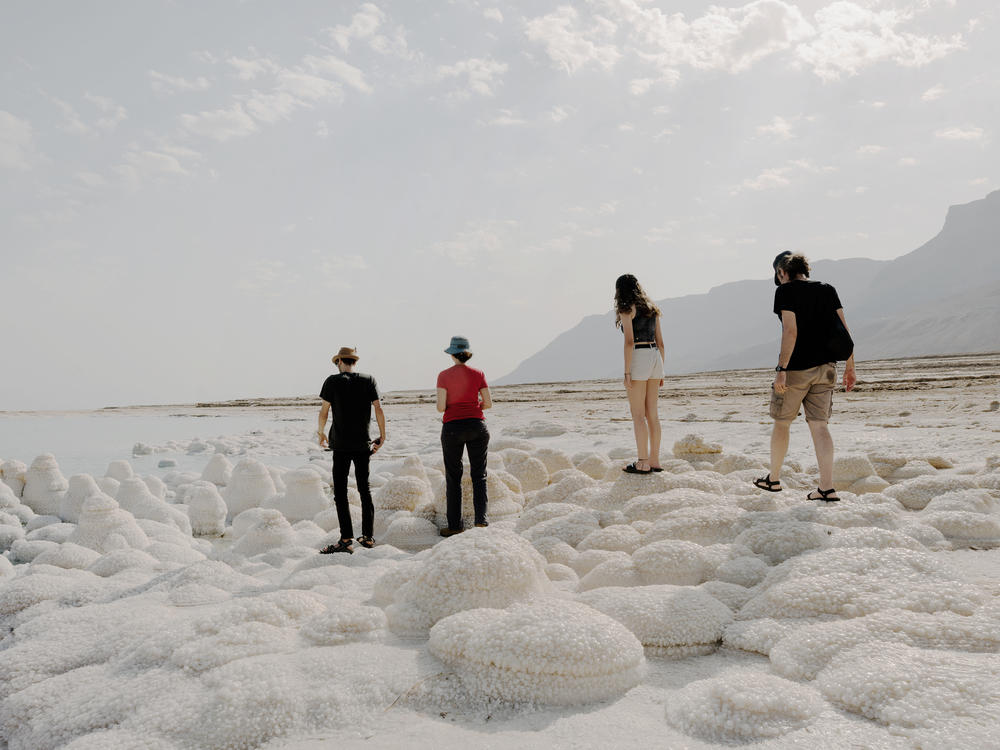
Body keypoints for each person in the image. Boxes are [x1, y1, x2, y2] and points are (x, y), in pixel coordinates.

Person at [754, 252, 857, 502]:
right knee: (820, 426)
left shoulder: (785, 292)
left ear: (781, 272)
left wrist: (781, 370)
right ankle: (826, 488)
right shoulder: (827, 289)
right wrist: (850, 367)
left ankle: (774, 479)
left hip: (796, 370)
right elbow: (844, 329)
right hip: (827, 368)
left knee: (782, 422)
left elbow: (790, 331)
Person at [317, 346, 386, 553]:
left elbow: (324, 412)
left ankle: (346, 539)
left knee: (340, 492)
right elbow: (378, 408)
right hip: (362, 444)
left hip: (340, 445)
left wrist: (321, 433)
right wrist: (383, 436)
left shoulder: (332, 381)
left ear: (339, 361)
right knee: (364, 490)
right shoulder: (369, 379)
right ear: (354, 362)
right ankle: (368, 537)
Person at [436, 335, 492, 536]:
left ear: (452, 354)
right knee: (479, 475)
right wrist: (474, 406)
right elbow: (488, 403)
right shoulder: (478, 373)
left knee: (454, 477)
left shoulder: (443, 375)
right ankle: (481, 522)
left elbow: (441, 407)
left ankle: (454, 526)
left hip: (452, 427)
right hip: (477, 426)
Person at [614, 274, 665, 474]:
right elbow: (661, 342)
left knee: (638, 415)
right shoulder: (652, 309)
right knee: (652, 414)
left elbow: (629, 342)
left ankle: (642, 462)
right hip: (655, 357)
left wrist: (627, 372)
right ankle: (655, 460)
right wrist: (661, 371)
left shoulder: (627, 308)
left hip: (640, 356)